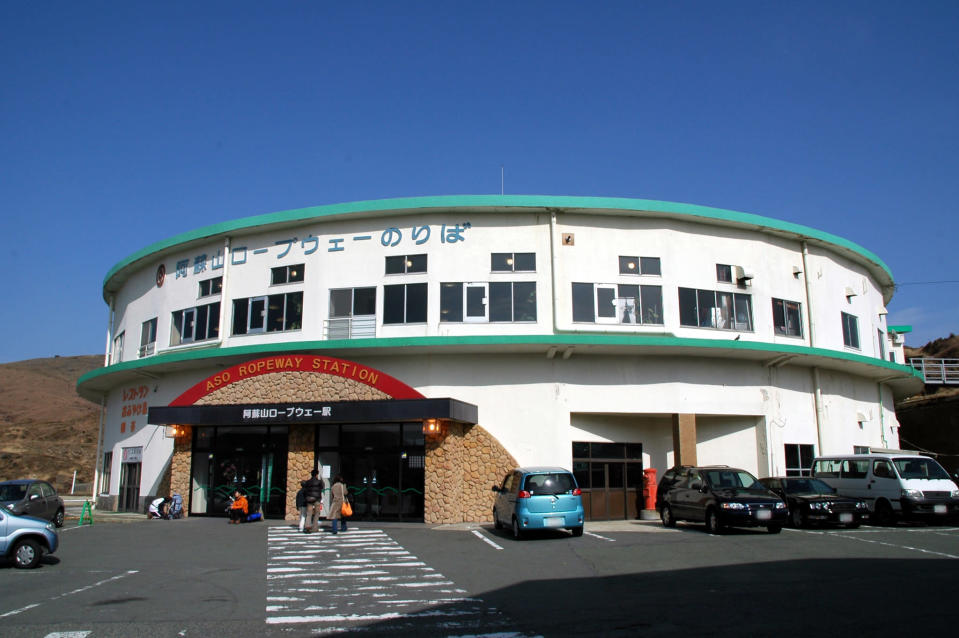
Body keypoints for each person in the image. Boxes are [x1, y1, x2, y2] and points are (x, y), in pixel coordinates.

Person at [300, 469, 324, 533]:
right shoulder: (319, 482)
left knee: (309, 514)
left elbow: (305, 490)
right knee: (316, 513)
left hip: (309, 499)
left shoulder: (308, 482)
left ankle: (307, 526)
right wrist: (321, 479)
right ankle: (315, 527)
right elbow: (322, 487)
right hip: (317, 499)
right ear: (316, 474)